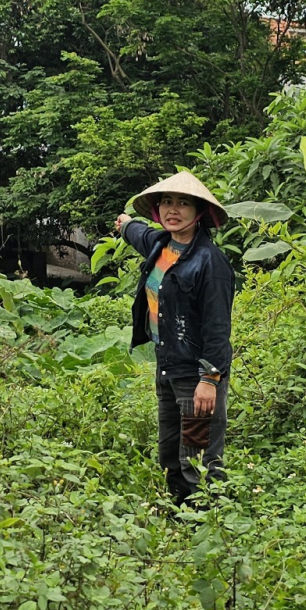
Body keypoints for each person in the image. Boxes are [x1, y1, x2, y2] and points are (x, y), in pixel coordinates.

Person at [112, 172, 235, 506]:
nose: (173, 209)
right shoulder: (160, 245)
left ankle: (208, 524)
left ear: (200, 212)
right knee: (169, 451)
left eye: (183, 202)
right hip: (166, 366)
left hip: (195, 376)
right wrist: (124, 224)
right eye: (167, 201)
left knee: (197, 457)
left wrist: (209, 379)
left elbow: (217, 328)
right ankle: (179, 517)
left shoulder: (211, 263)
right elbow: (138, 232)